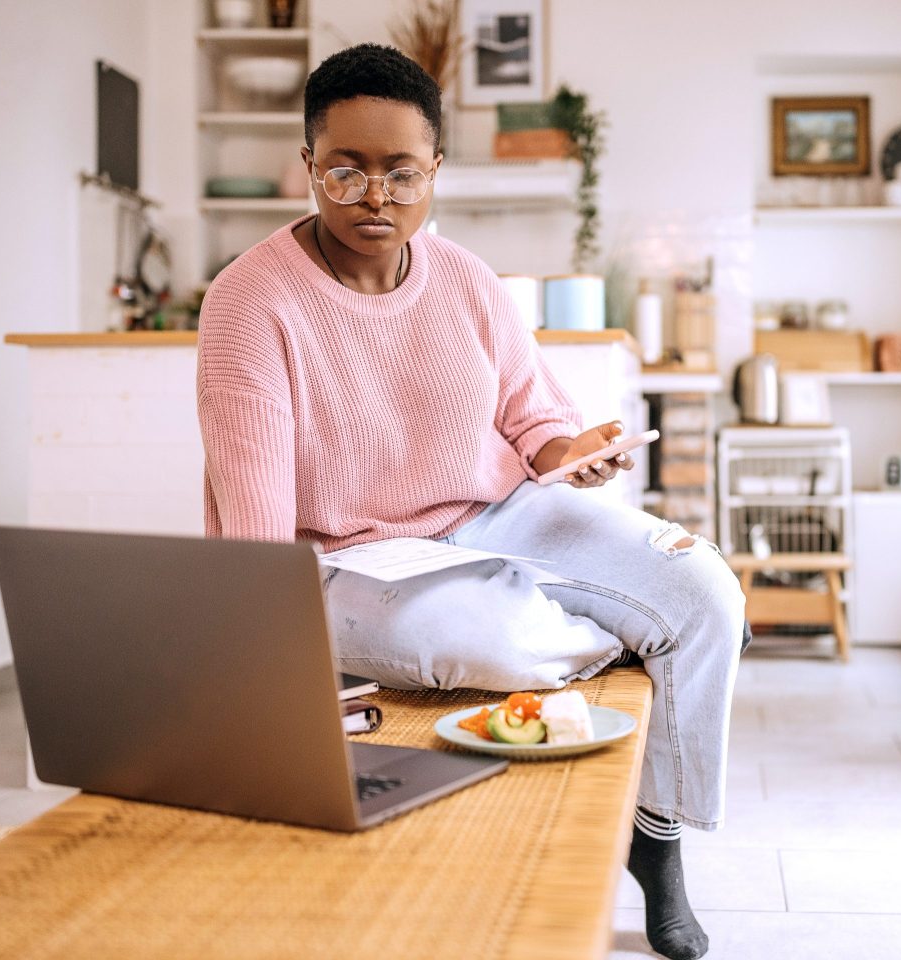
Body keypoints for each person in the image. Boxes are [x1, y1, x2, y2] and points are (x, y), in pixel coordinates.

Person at [196, 43, 743, 960]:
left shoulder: (467, 280)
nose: (376, 197)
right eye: (346, 170)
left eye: (402, 173)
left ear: (434, 172)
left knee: (706, 593)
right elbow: (252, 528)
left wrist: (577, 455)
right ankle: (596, 633)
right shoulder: (248, 303)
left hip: (497, 517)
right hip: (348, 554)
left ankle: (657, 841)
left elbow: (536, 419)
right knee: (484, 638)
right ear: (308, 166)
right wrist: (266, 677)